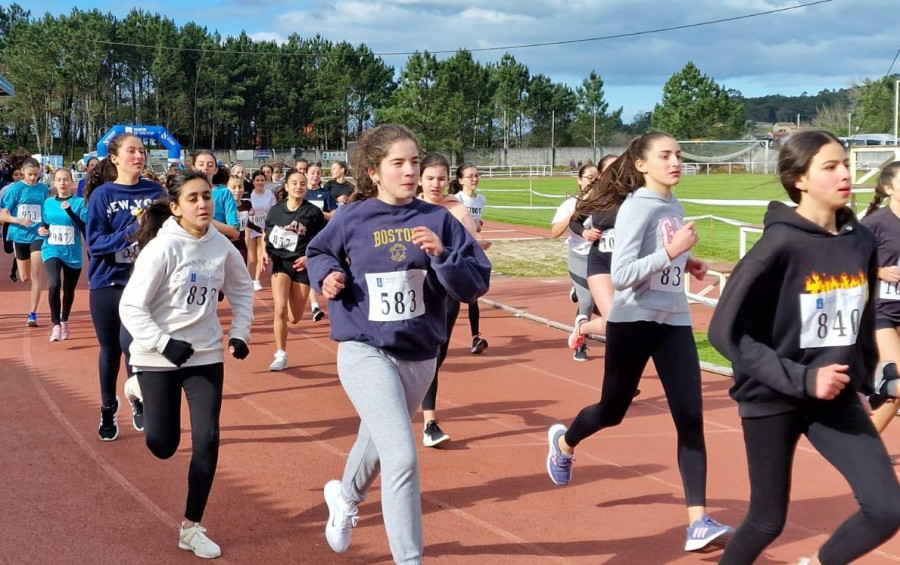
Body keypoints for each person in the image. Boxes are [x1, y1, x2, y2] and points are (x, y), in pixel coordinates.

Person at [709, 131, 900, 564]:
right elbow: (725, 332)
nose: (846, 174)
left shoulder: (860, 240)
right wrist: (802, 377)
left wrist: (873, 378)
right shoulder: (778, 245)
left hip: (834, 396)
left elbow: (860, 316)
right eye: (830, 167)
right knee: (766, 520)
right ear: (800, 179)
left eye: (846, 164)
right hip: (772, 397)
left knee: (888, 509)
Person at [307, 124, 491, 564]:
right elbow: (318, 252)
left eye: (415, 161)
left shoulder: (440, 220)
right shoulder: (354, 217)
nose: (410, 171)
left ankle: (346, 496)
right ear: (374, 171)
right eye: (398, 163)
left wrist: (443, 256)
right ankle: (409, 559)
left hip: (420, 353)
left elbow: (476, 284)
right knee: (401, 456)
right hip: (364, 347)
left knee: (377, 439)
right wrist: (327, 277)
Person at [546, 132, 733, 553]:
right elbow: (625, 273)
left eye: (679, 155)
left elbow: (664, 257)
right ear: (643, 164)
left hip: (674, 322)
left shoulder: (673, 205)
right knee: (613, 410)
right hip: (633, 321)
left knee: (691, 416)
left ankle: (697, 522)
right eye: (665, 155)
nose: (676, 161)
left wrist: (688, 262)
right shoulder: (634, 207)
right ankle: (564, 442)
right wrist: (671, 252)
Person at [119, 170, 253, 559]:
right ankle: (137, 387)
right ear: (176, 208)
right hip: (156, 355)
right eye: (193, 198)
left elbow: (242, 291)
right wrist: (163, 342)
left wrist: (240, 332)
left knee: (207, 438)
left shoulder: (222, 247)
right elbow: (131, 307)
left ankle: (191, 527)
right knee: (163, 445)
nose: (202, 204)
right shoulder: (162, 249)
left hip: (206, 354)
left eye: (207, 197)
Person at [86, 134, 166, 441]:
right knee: (109, 350)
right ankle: (108, 406)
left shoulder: (155, 191)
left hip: (143, 284)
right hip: (107, 280)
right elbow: (94, 243)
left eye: (142, 151)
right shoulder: (103, 195)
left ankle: (137, 396)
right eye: (131, 151)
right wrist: (131, 230)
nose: (139, 155)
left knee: (133, 345)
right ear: (115, 158)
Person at [417, 152, 491, 447]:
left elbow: (472, 253)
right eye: (430, 178)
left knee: (437, 355)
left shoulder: (457, 211)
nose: (436, 184)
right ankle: (430, 422)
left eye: (441, 178)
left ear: (449, 180)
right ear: (419, 178)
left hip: (445, 292)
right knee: (417, 353)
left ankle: (420, 404)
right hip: (413, 289)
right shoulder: (407, 207)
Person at [261, 169, 326, 371]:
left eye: (302, 184)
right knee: (279, 309)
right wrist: (265, 252)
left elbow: (322, 241)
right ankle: (281, 354)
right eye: (295, 183)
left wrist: (309, 257)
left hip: (302, 267)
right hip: (281, 263)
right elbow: (267, 234)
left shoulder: (313, 213)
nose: (299, 187)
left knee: (294, 317)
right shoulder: (276, 211)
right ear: (287, 186)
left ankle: (289, 319)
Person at [860, 161, 900, 432]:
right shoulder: (875, 224)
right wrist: (879, 271)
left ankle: (865, 445)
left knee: (895, 393)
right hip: (881, 311)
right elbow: (846, 264)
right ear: (889, 188)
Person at [550, 163, 601, 361]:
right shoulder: (570, 204)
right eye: (589, 177)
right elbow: (554, 232)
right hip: (579, 257)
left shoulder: (606, 203)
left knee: (609, 304)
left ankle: (578, 290)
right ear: (579, 180)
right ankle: (580, 343)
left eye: (597, 177)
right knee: (587, 301)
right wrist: (574, 215)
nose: (594, 181)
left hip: (601, 258)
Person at [38, 168, 88, 341]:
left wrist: (69, 211)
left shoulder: (80, 203)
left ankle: (65, 320)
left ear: (71, 181)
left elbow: (84, 227)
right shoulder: (48, 202)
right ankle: (56, 325)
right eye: (59, 180)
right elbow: (44, 224)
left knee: (68, 290)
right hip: (51, 249)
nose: (62, 183)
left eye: (65, 179)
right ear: (54, 182)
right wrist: (42, 230)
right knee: (53, 284)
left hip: (72, 253)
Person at [0, 157, 50, 326]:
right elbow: (3, 215)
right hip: (20, 235)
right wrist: (19, 220)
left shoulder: (43, 189)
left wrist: (46, 227)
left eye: (36, 174)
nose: (32, 178)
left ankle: (32, 314)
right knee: (24, 277)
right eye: (29, 175)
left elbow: (46, 211)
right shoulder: (15, 190)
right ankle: (23, 278)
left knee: (37, 274)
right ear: (23, 172)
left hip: (37, 235)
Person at [448, 163, 489, 354]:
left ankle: (476, 337)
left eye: (477, 175)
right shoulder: (455, 200)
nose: (475, 179)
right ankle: (440, 336)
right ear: (460, 180)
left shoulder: (481, 200)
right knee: (450, 300)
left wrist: (478, 226)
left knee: (474, 296)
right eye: (470, 176)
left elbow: (475, 225)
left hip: (472, 254)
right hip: (456, 253)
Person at [303, 162, 338, 323]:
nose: (315, 175)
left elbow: (334, 216)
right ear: (306, 174)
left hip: (323, 237)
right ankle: (315, 305)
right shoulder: (302, 193)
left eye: (318, 173)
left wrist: (318, 213)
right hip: (305, 238)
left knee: (326, 269)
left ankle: (331, 302)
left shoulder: (326, 194)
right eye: (312, 173)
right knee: (310, 269)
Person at [247, 171, 276, 291]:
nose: (260, 182)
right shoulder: (249, 195)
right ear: (253, 182)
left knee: (261, 255)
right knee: (251, 258)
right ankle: (247, 280)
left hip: (263, 228)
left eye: (262, 180)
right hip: (251, 227)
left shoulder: (269, 195)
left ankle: (257, 281)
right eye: (257, 180)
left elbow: (273, 210)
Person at [2, 164, 25, 282]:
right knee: (8, 249)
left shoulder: (29, 188)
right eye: (16, 175)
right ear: (12, 176)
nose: (19, 177)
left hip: (23, 225)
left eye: (21, 174)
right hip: (9, 222)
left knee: (18, 248)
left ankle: (13, 272)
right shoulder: (7, 189)